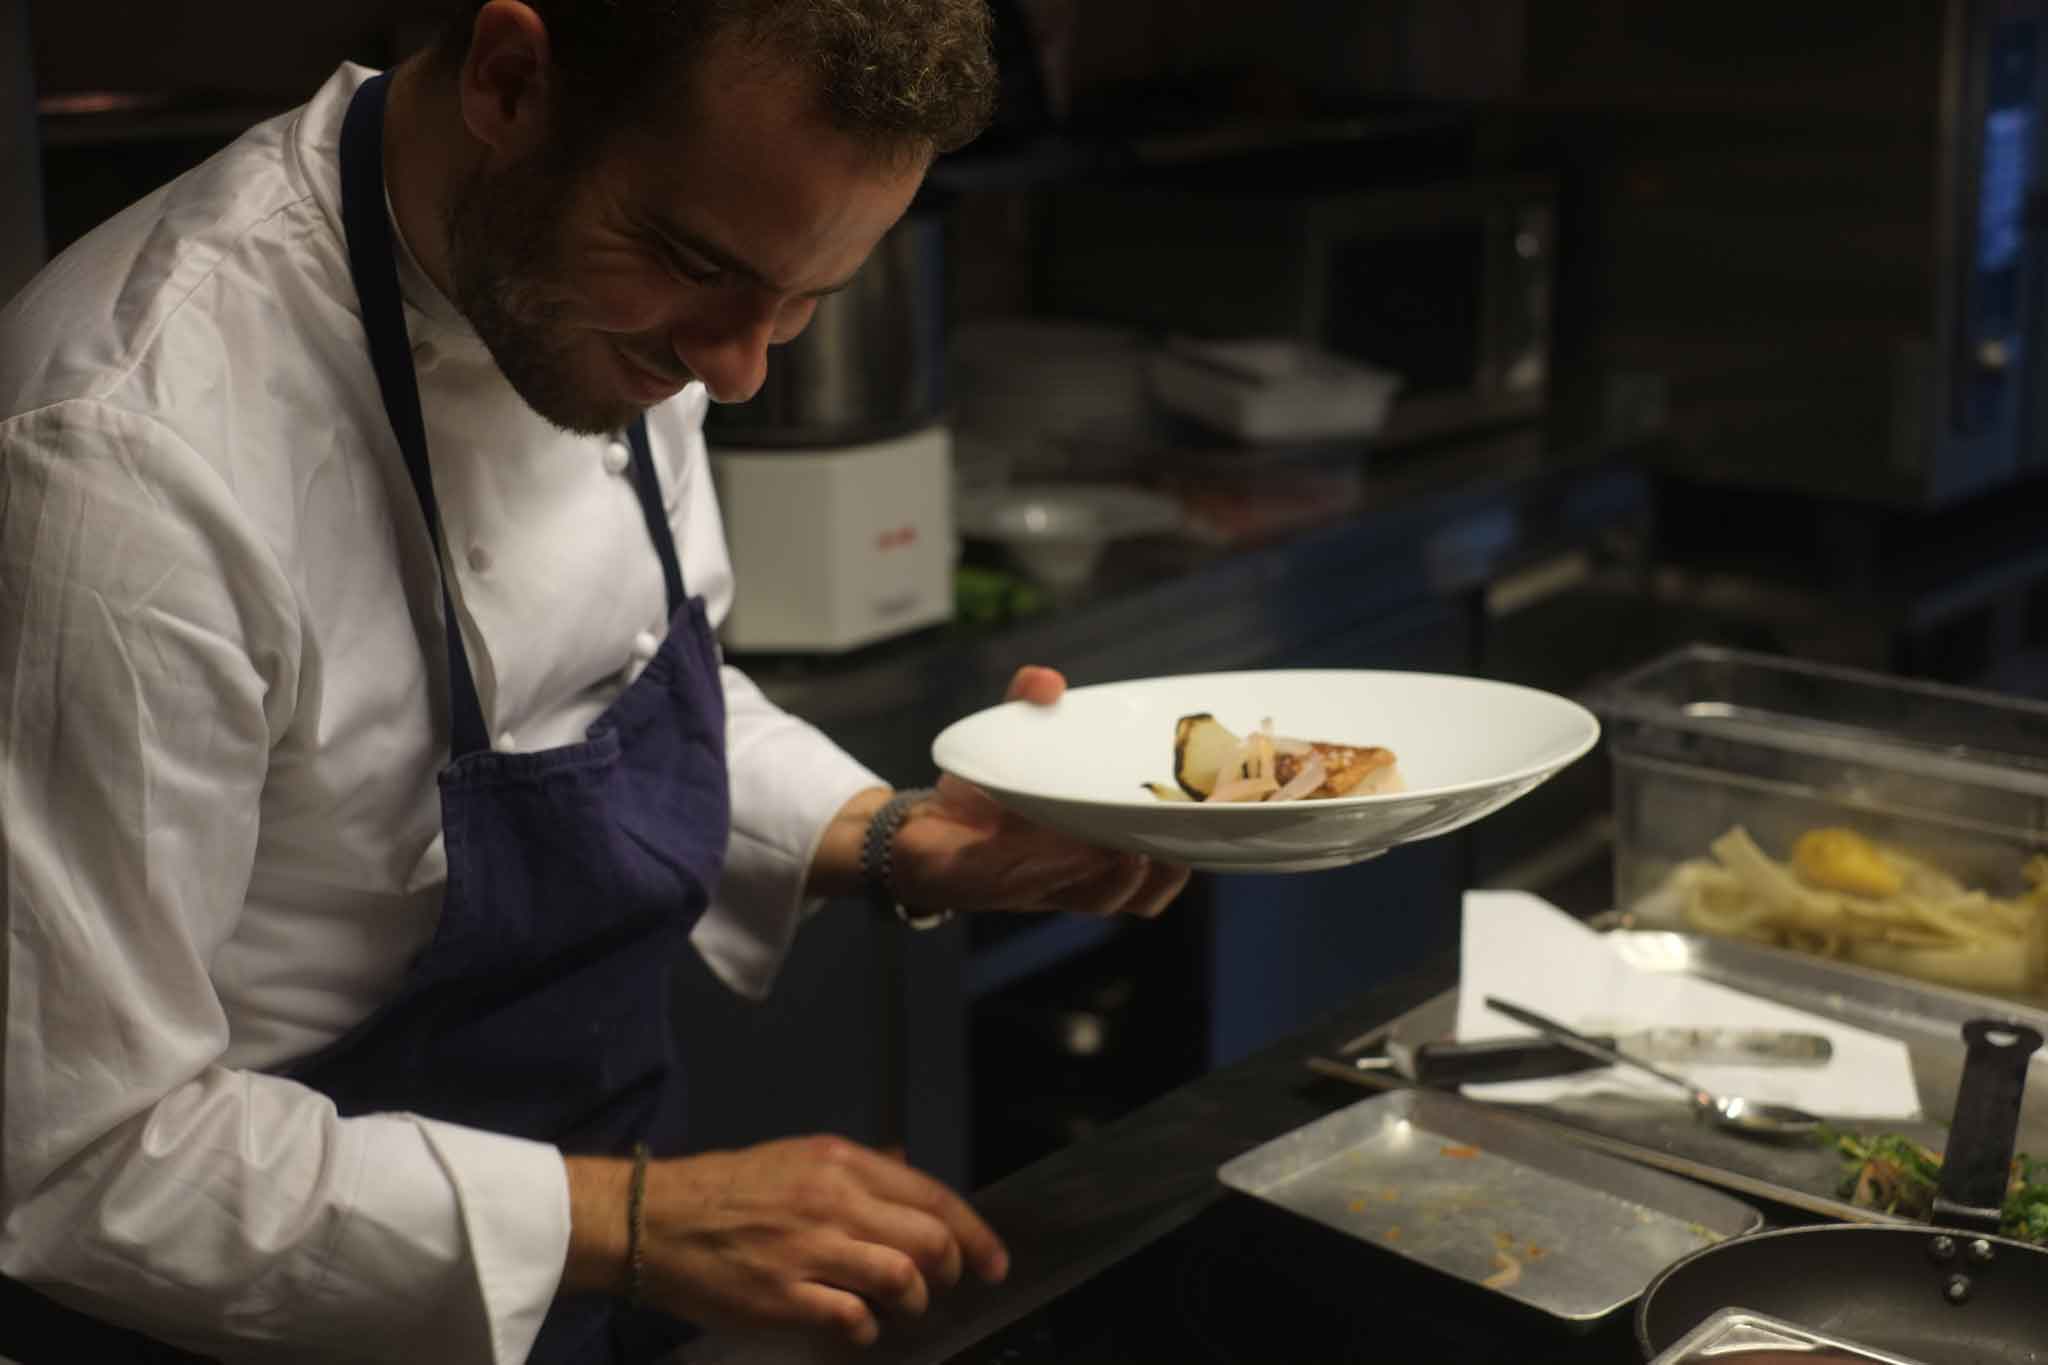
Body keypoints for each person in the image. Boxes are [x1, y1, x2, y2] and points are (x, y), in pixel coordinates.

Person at [0, 2, 1189, 1360]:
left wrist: (902, 838)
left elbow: (631, 691)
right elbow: (76, 1154)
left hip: (594, 1274)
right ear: (512, 84)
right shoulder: (122, 462)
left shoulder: (624, 294)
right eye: (700, 265)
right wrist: (634, 1223)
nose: (736, 371)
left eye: (803, 302)